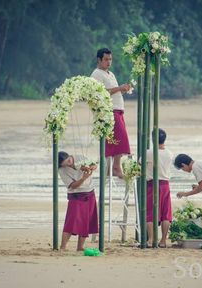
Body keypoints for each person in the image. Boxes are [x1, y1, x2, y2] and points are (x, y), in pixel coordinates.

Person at [91, 48, 131, 178]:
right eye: (106, 59)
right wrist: (119, 88)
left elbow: (113, 91)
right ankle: (116, 167)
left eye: (110, 59)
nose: (109, 62)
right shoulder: (96, 74)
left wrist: (122, 90)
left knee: (118, 139)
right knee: (120, 139)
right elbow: (101, 93)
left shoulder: (111, 74)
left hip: (118, 109)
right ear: (99, 60)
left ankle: (112, 167)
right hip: (109, 111)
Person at [58, 151, 98, 251]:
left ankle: (80, 247)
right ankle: (63, 247)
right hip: (76, 195)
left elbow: (93, 164)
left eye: (68, 160)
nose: (69, 163)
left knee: (87, 221)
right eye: (65, 163)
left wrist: (91, 168)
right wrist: (83, 178)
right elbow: (72, 186)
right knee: (71, 221)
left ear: (69, 156)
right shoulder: (62, 170)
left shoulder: (79, 157)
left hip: (90, 192)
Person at [145, 128, 173, 248]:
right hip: (165, 184)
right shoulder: (169, 153)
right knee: (166, 213)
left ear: (153, 139)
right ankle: (163, 240)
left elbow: (140, 163)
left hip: (153, 184)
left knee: (150, 212)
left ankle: (151, 239)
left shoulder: (149, 153)